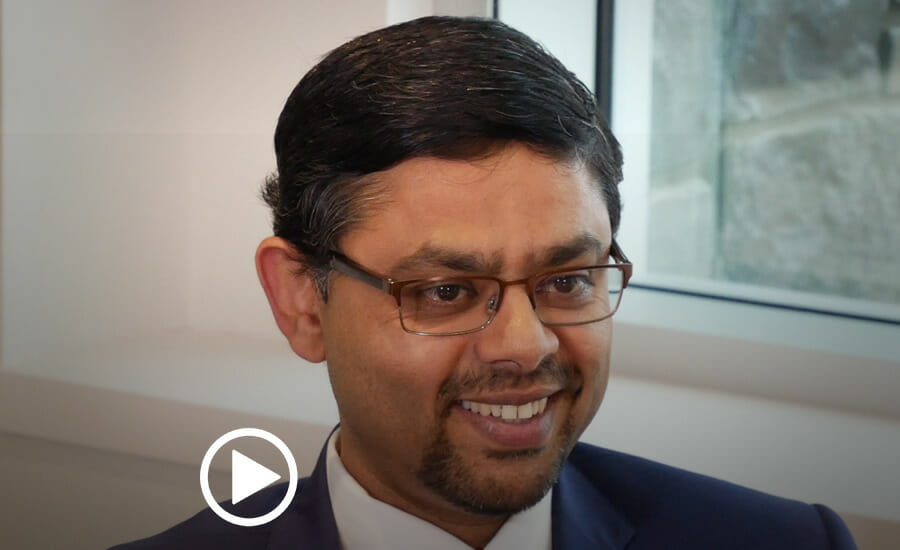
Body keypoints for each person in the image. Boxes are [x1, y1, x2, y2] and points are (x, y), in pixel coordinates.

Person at [113, 16, 857, 550]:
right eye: (446, 291)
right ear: (304, 300)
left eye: (567, 279)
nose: (524, 346)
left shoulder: (789, 540)